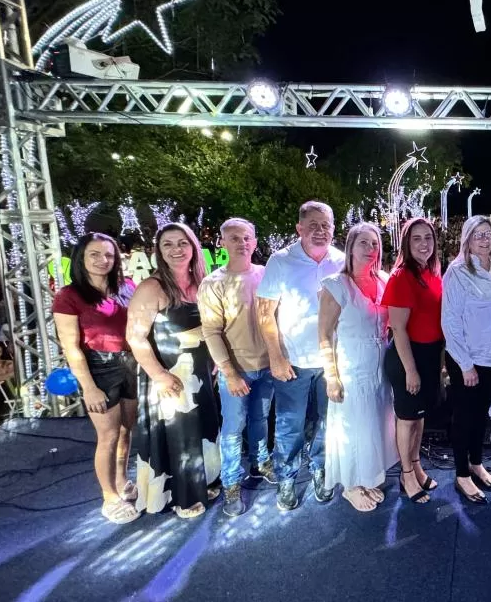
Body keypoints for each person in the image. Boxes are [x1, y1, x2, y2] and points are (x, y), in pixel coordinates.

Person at [127, 223, 220, 519]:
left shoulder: (201, 281)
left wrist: (216, 361)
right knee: (180, 435)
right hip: (170, 374)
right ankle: (183, 497)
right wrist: (160, 376)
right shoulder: (151, 288)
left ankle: (203, 482)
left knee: (203, 430)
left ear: (193, 247)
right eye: (168, 244)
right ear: (159, 251)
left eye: (182, 243)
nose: (176, 249)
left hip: (201, 373)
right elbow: (135, 338)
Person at [257, 201, 346, 511]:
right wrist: (276, 356)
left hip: (332, 361)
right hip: (293, 360)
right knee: (289, 424)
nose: (320, 231)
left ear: (333, 229)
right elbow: (265, 313)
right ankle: (287, 476)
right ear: (299, 228)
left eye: (326, 225)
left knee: (327, 421)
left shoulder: (341, 261)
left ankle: (321, 468)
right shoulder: (281, 261)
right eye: (313, 225)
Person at [52, 233, 139, 524]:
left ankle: (122, 480)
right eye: (95, 254)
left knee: (126, 430)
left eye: (109, 255)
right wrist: (88, 387)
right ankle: (109, 497)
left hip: (130, 363)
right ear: (81, 258)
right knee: (108, 436)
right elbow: (70, 347)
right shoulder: (69, 295)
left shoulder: (126, 287)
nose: (103, 260)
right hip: (98, 368)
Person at [317, 223, 398, 512]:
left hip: (380, 367)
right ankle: (351, 485)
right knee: (352, 426)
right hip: (351, 367)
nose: (370, 249)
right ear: (350, 247)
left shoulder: (384, 280)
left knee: (374, 425)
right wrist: (332, 377)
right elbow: (324, 334)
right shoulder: (336, 285)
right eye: (363, 242)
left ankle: (368, 477)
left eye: (375, 243)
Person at [198, 218, 275, 517]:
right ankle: (231, 482)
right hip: (237, 370)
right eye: (234, 238)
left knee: (260, 419)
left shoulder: (266, 274)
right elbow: (211, 331)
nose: (242, 243)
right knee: (233, 428)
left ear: (254, 241)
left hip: (267, 366)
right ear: (223, 243)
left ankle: (260, 461)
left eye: (246, 237)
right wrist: (229, 372)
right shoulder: (213, 283)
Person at [441, 216, 491, 505]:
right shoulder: (457, 272)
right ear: (466, 240)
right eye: (477, 235)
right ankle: (461, 474)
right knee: (464, 417)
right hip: (467, 359)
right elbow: (450, 321)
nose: (484, 239)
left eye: (488, 233)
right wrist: (465, 364)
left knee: (481, 415)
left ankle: (476, 462)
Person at [383, 217, 444, 504]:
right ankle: (406, 474)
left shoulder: (431, 272)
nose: (423, 244)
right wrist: (411, 370)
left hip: (429, 354)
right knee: (407, 419)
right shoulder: (401, 276)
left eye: (428, 238)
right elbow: (398, 328)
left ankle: (416, 465)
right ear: (407, 243)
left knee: (419, 417)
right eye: (416, 238)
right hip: (408, 356)